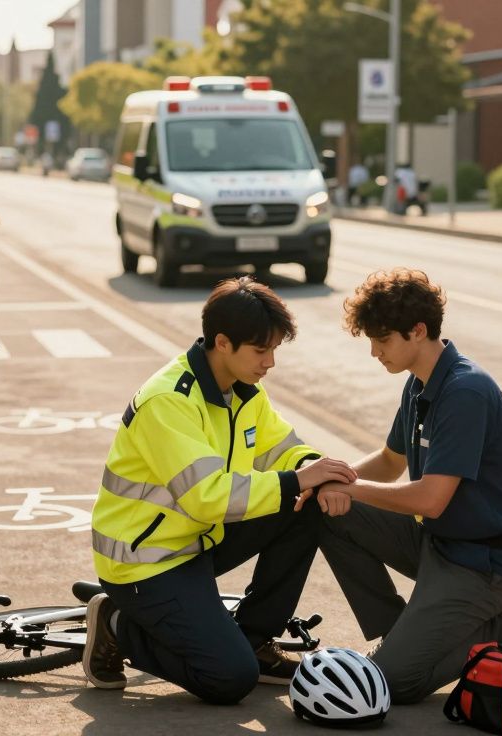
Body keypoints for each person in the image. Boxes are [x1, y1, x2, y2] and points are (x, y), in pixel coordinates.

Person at [81, 276, 358, 704]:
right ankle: (118, 622)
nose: (270, 363)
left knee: (306, 504)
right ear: (223, 343)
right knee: (229, 679)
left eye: (274, 350)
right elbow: (206, 496)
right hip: (146, 562)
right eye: (261, 350)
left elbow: (282, 448)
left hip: (199, 540)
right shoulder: (169, 401)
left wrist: (310, 469)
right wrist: (298, 480)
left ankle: (253, 639)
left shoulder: (243, 392)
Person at [315, 268, 502, 705]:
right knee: (325, 508)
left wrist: (351, 488)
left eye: (382, 339)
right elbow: (387, 462)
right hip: (440, 545)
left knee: (392, 686)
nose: (374, 352)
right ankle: (397, 633)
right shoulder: (418, 383)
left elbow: (431, 500)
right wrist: (330, 480)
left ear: (417, 331)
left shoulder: (464, 391)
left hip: (485, 563)